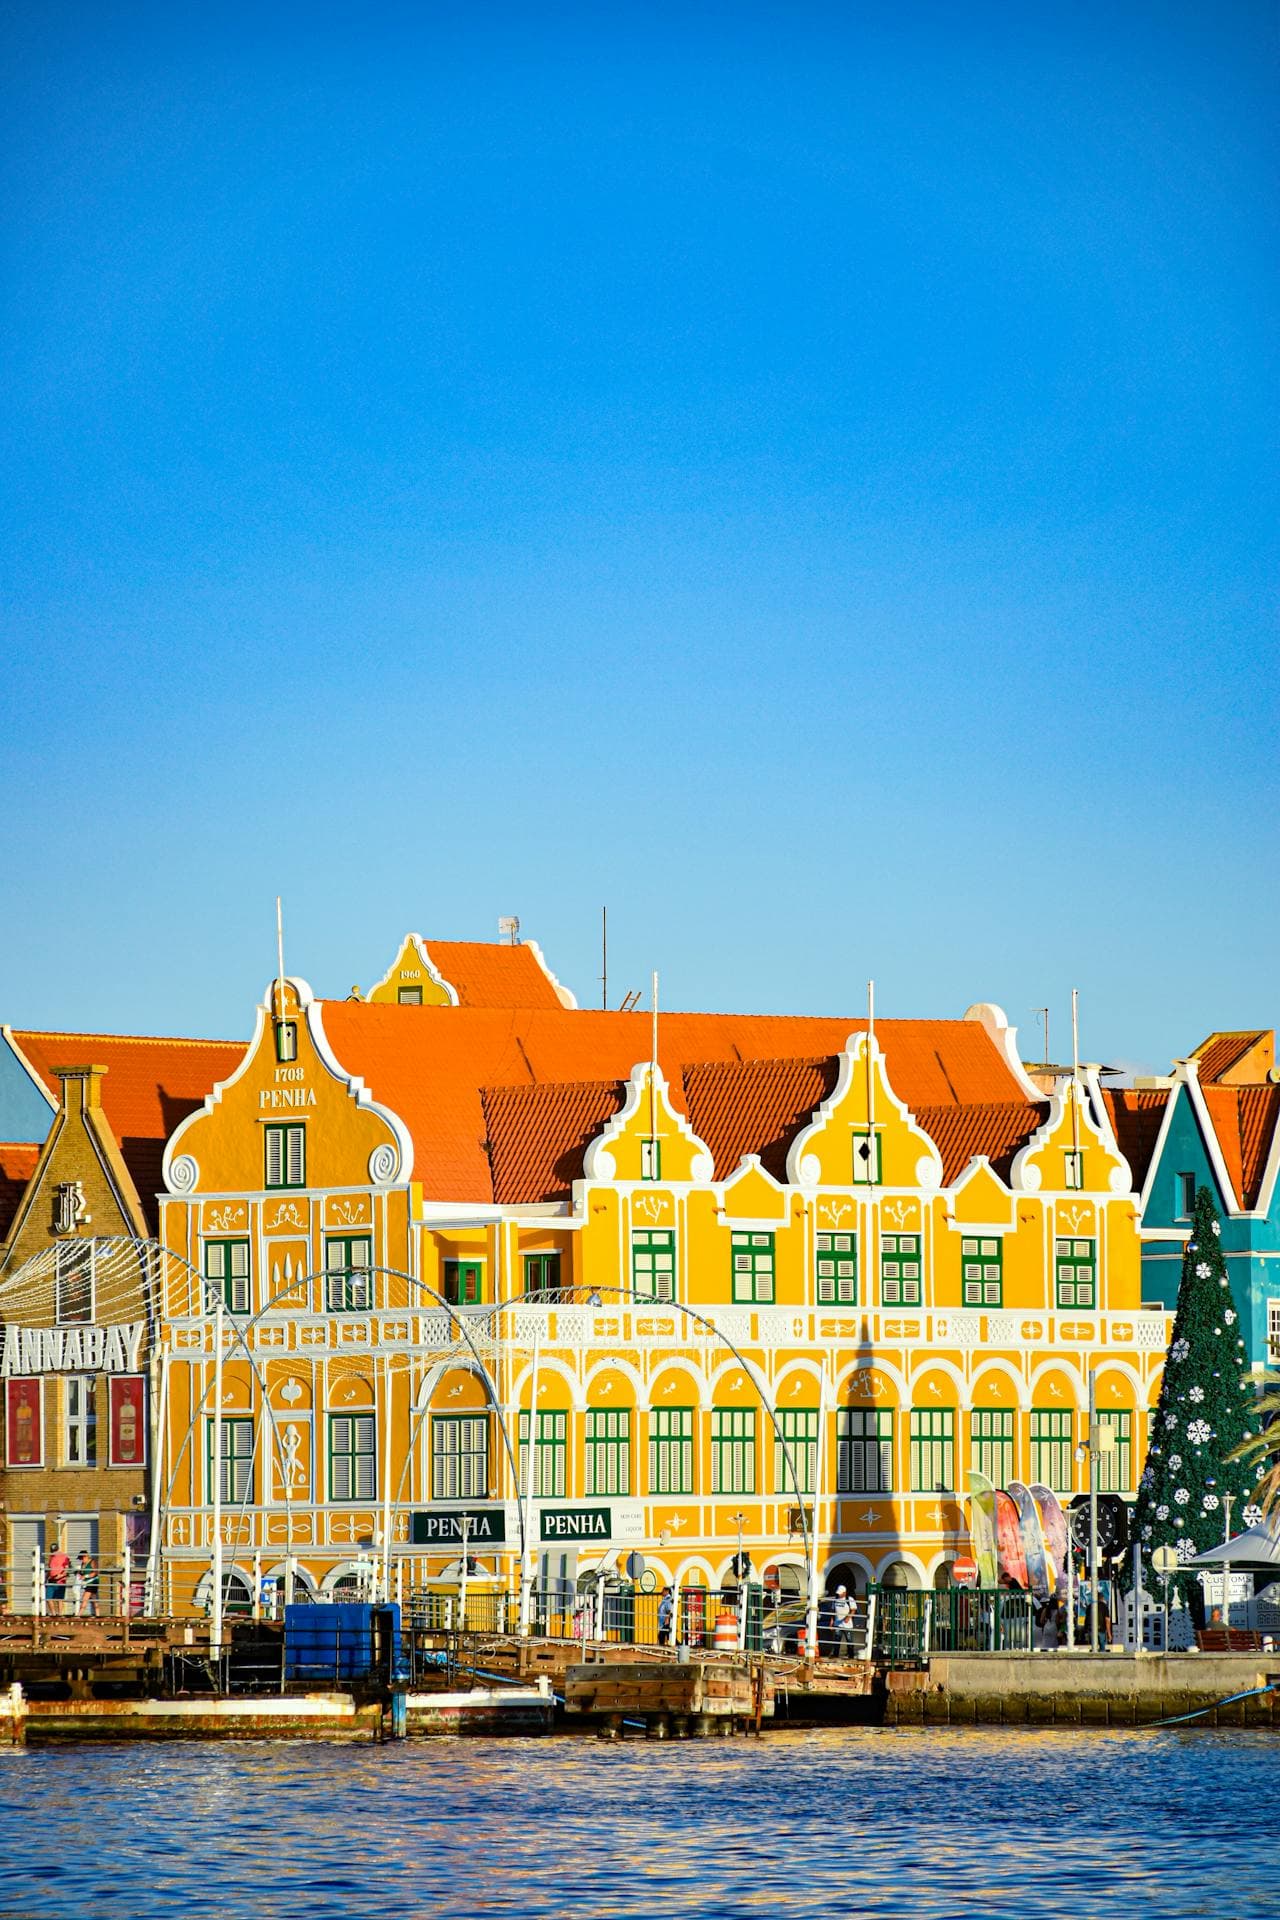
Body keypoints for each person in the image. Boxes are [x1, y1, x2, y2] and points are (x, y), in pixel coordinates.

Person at [46, 1540, 71, 1617]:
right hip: (51, 1579)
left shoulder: (64, 1556)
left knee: (59, 1598)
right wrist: (46, 1578)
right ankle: (53, 1614)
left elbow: (67, 1568)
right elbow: (50, 1568)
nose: (54, 1553)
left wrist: (61, 1575)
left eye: (55, 1551)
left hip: (60, 1580)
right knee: (48, 1597)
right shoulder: (51, 1557)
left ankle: (60, 1614)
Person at [832, 1584, 856, 1659]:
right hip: (837, 1624)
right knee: (836, 1640)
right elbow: (833, 1611)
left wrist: (848, 1617)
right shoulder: (835, 1599)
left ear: (844, 1592)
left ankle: (851, 1655)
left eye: (841, 1593)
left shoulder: (850, 1599)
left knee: (849, 1640)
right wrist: (832, 1622)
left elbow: (853, 1609)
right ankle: (835, 1655)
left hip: (847, 1625)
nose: (839, 1594)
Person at [75, 1549, 99, 1618]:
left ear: (85, 1556)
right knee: (94, 1599)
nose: (81, 1560)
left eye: (81, 1558)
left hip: (93, 1582)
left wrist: (86, 1576)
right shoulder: (83, 1563)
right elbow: (82, 1572)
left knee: (85, 1598)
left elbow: (95, 1572)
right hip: (87, 1583)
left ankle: (79, 1615)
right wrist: (78, 1573)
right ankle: (98, 1615)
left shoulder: (92, 1561)